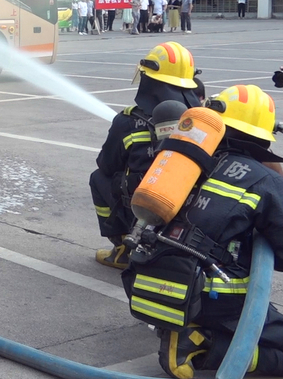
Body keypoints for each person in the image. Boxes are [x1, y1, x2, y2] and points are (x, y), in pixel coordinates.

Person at [123, 85, 283, 378]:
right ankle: (203, 345)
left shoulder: (183, 162)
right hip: (214, 299)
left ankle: (179, 326)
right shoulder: (263, 179)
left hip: (147, 277)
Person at [89, 43, 200, 268]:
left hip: (144, 210)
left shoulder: (128, 121)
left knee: (98, 178)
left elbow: (107, 165)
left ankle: (121, 248)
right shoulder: (204, 121)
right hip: (196, 211)